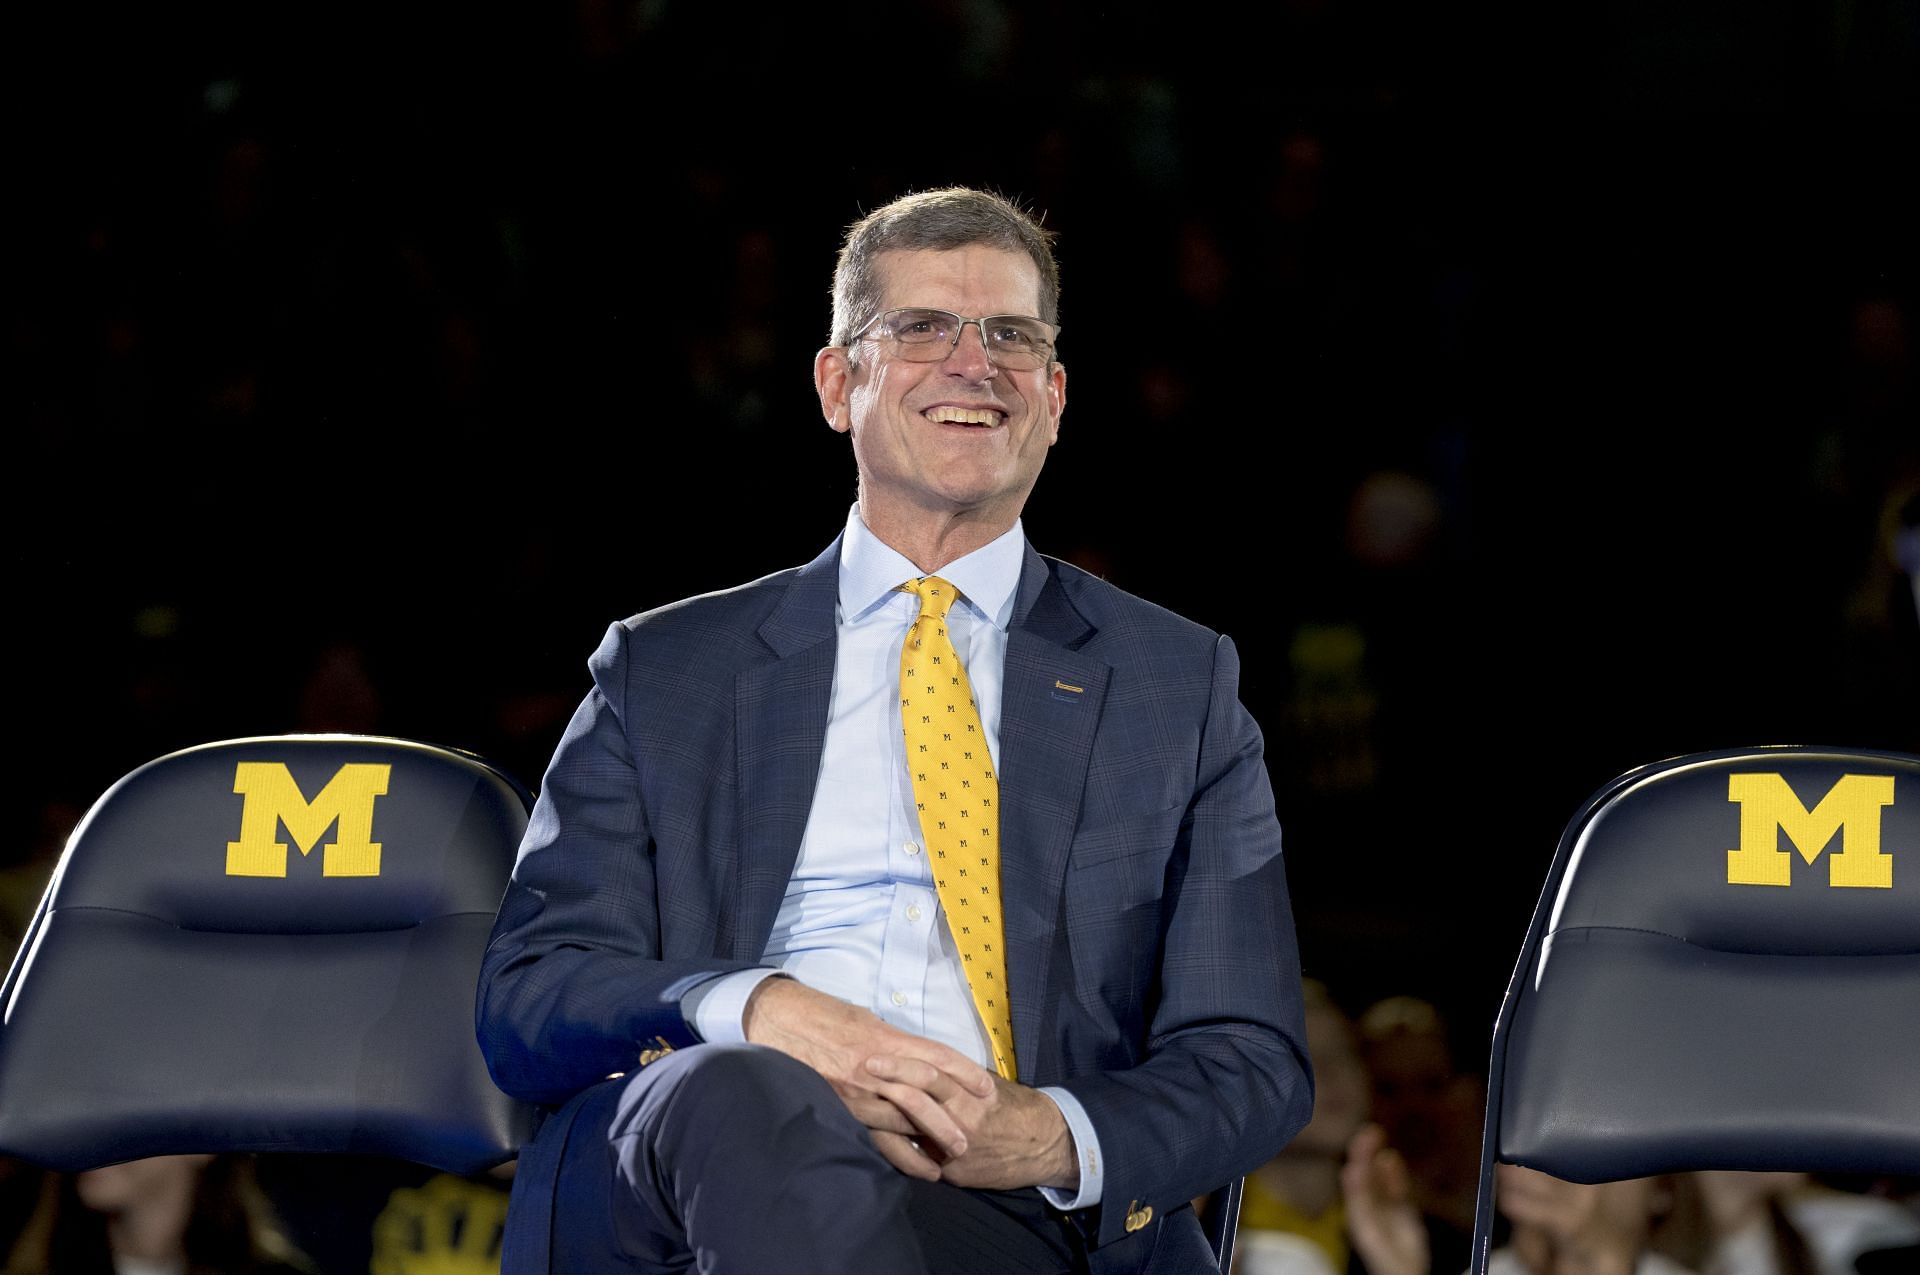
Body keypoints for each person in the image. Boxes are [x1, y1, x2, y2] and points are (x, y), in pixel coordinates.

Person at [474, 185, 1314, 1274]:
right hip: (696, 1168)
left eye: (1012, 336)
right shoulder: (669, 670)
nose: (976, 364)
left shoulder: (1173, 685)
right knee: (742, 1094)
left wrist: (1052, 1134)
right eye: (922, 328)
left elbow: (1249, 1054)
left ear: (1055, 398)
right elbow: (533, 992)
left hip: (1007, 1203)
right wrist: (762, 1010)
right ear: (839, 383)